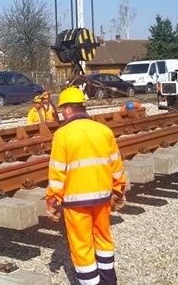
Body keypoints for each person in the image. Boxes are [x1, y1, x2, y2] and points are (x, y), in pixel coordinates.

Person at [46, 87, 126, 285]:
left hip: (76, 201)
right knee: (103, 238)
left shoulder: (62, 135)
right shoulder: (104, 131)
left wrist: (52, 200)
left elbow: (57, 173)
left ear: (67, 110)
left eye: (63, 109)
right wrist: (119, 190)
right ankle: (109, 281)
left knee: (81, 245)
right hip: (103, 197)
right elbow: (116, 165)